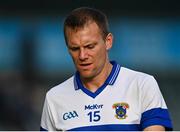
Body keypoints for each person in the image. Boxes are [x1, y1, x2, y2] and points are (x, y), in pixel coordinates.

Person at [40, 7, 173, 131]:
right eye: (75, 49)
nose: (82, 56)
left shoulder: (142, 85)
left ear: (108, 41)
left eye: (90, 46)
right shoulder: (54, 98)